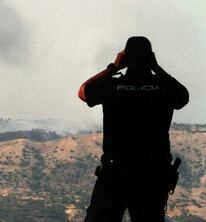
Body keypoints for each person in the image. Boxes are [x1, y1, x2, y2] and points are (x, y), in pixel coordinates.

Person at [78, 36, 189, 222]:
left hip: (115, 172)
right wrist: (157, 68)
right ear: (151, 58)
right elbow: (183, 97)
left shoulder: (112, 85)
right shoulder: (163, 87)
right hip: (152, 174)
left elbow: (83, 90)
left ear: (126, 58)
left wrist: (114, 67)